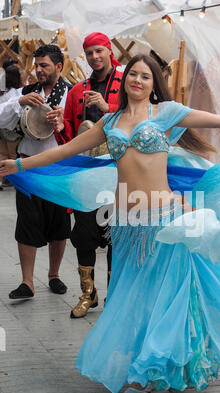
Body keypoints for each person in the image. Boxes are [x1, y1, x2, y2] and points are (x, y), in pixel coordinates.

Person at [0, 54, 220, 393]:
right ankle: (145, 367)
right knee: (132, 298)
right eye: (132, 75)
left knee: (164, 296)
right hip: (128, 225)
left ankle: (148, 374)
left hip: (165, 221)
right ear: (125, 81)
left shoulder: (166, 112)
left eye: (145, 76)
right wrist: (19, 163)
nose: (137, 80)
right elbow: (64, 152)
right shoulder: (110, 121)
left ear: (154, 83)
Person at [54, 32, 123, 319]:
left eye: (99, 51)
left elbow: (140, 122)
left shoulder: (125, 85)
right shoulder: (76, 91)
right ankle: (88, 294)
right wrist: (59, 126)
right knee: (84, 236)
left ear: (108, 51)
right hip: (85, 177)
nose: (94, 57)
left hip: (118, 175)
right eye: (89, 53)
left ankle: (114, 297)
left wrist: (110, 110)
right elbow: (71, 137)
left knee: (115, 237)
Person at [0, 45, 72, 299]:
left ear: (59, 67)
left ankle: (54, 275)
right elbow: (1, 118)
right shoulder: (27, 91)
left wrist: (64, 123)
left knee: (59, 223)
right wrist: (19, 101)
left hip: (59, 167)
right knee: (27, 221)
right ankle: (27, 282)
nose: (38, 70)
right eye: (36, 65)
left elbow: (83, 131)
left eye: (44, 65)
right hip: (27, 163)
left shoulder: (71, 94)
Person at [0, 64, 25, 190]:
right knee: (13, 155)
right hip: (11, 128)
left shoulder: (2, 91)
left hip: (0, 127)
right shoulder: (16, 92)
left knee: (2, 154)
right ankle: (14, 179)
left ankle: (3, 180)